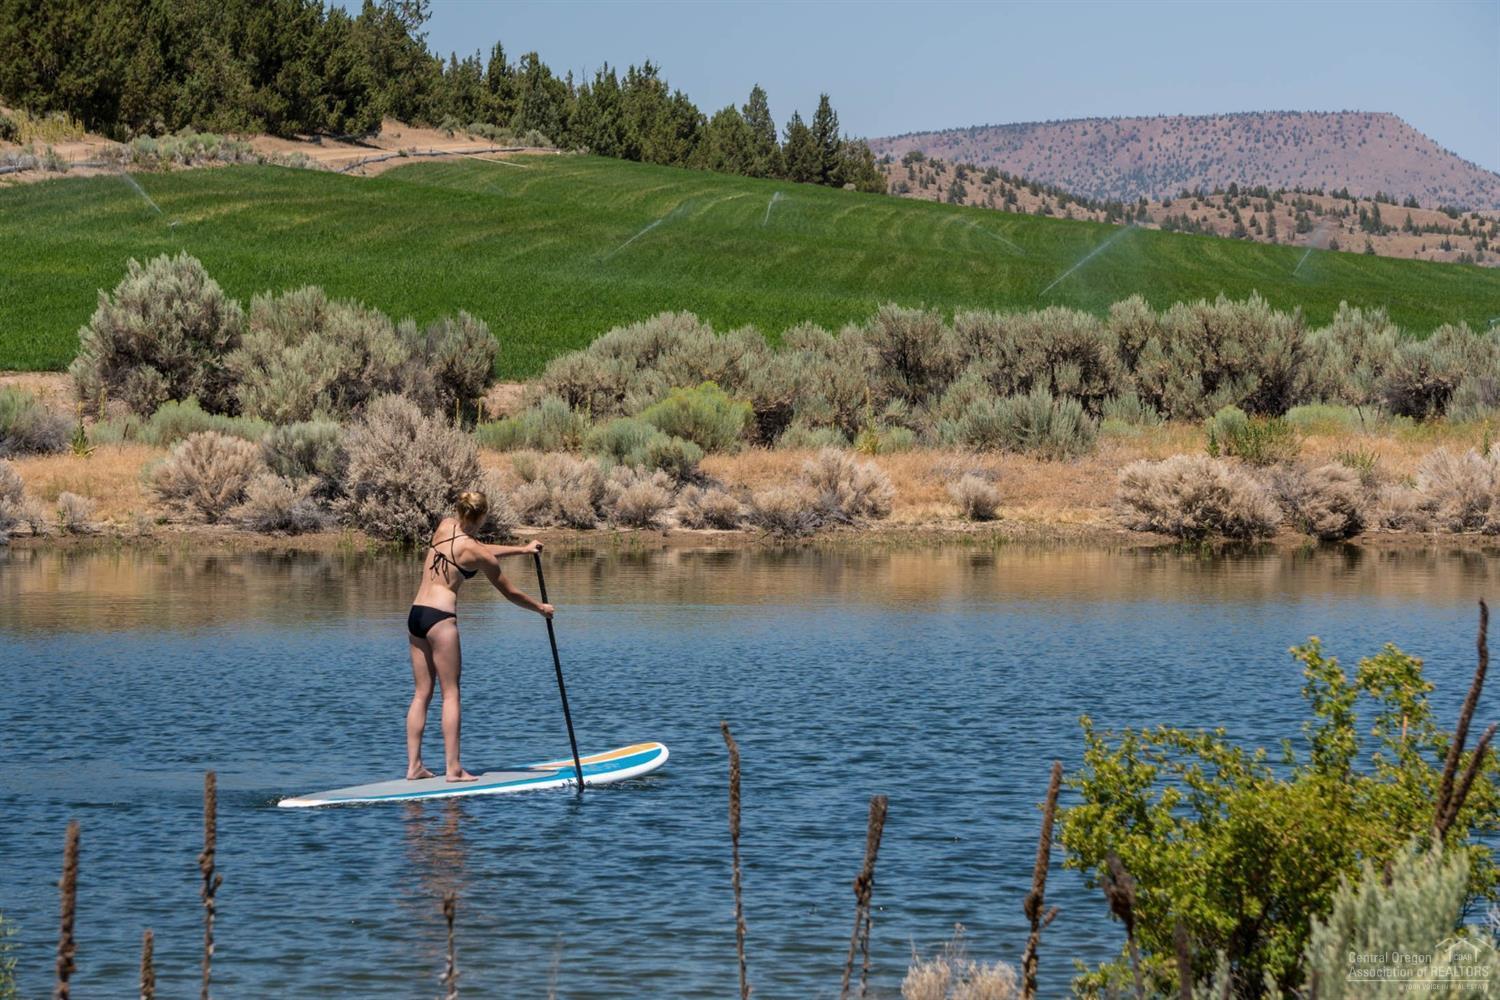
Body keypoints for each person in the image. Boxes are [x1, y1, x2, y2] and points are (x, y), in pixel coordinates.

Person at [406, 491, 553, 782]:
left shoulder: (445, 525)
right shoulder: (475, 551)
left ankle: (414, 767)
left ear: (460, 511)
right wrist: (539, 608)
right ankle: (454, 769)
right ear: (483, 516)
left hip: (416, 615)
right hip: (440, 620)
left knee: (422, 693)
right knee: (451, 693)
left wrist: (522, 550)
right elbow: (509, 592)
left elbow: (479, 548)